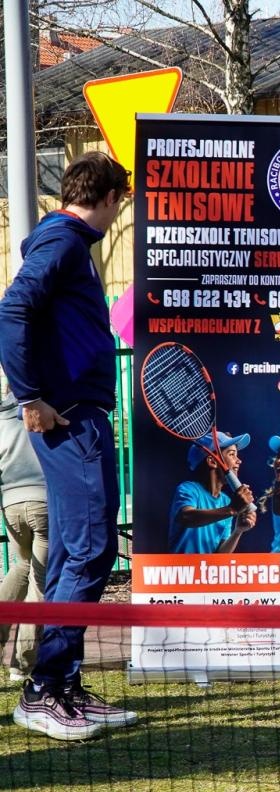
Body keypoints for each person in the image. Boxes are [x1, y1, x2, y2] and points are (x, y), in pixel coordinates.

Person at [0, 151, 137, 740]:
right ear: (107, 197)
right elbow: (12, 310)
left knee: (86, 551)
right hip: (70, 420)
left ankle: (66, 683)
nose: (119, 210)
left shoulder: (65, 242)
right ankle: (43, 691)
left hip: (81, 417)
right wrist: (31, 395)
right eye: (121, 201)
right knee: (85, 551)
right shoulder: (62, 242)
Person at [0, 376, 47, 683]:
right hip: (44, 503)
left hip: (11, 504)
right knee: (41, 581)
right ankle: (22, 663)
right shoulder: (43, 411)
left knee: (21, 566)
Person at [168, 433, 256, 553]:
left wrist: (238, 531)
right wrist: (232, 510)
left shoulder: (226, 501)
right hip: (182, 570)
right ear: (212, 461)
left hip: (206, 570)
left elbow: (220, 555)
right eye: (232, 454)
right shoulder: (188, 489)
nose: (239, 461)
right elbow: (186, 517)